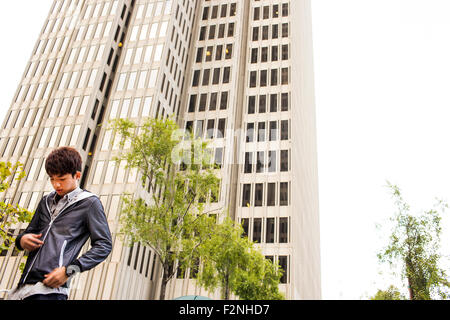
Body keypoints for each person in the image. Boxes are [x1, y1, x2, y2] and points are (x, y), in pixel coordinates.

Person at [8, 147, 112, 300]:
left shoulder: (90, 203)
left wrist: (69, 270)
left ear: (77, 175)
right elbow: (28, 233)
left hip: (52, 291)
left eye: (61, 179)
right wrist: (21, 240)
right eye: (52, 179)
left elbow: (104, 245)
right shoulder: (45, 201)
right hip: (23, 287)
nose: (56, 185)